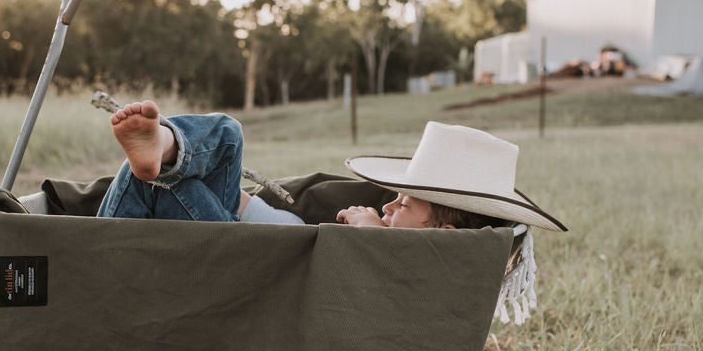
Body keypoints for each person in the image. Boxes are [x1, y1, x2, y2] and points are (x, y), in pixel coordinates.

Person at [97, 100, 565, 234]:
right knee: (227, 132)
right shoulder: (402, 238)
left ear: (440, 233)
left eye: (405, 203)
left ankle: (164, 155)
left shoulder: (387, 248)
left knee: (160, 184)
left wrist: (366, 228)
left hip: (234, 251)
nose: (390, 204)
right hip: (235, 219)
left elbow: (364, 266)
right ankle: (168, 144)